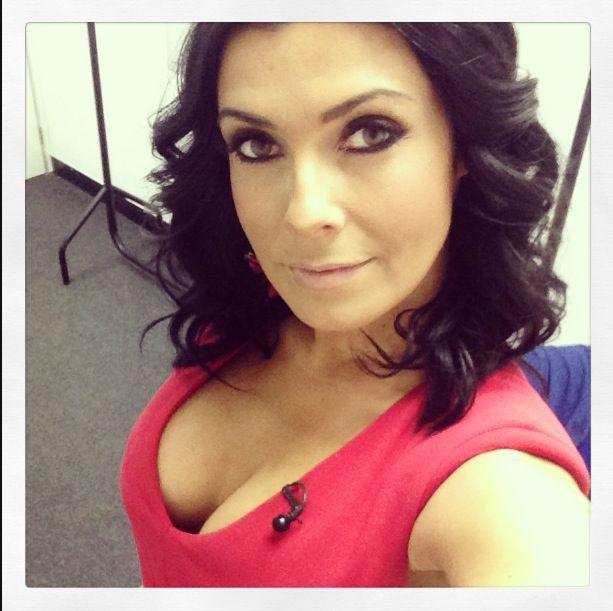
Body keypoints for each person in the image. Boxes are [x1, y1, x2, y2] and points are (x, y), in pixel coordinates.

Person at [121, 22, 590, 587]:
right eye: (257, 144)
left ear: (464, 145)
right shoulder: (255, 310)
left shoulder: (503, 495)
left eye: (370, 133)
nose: (303, 212)